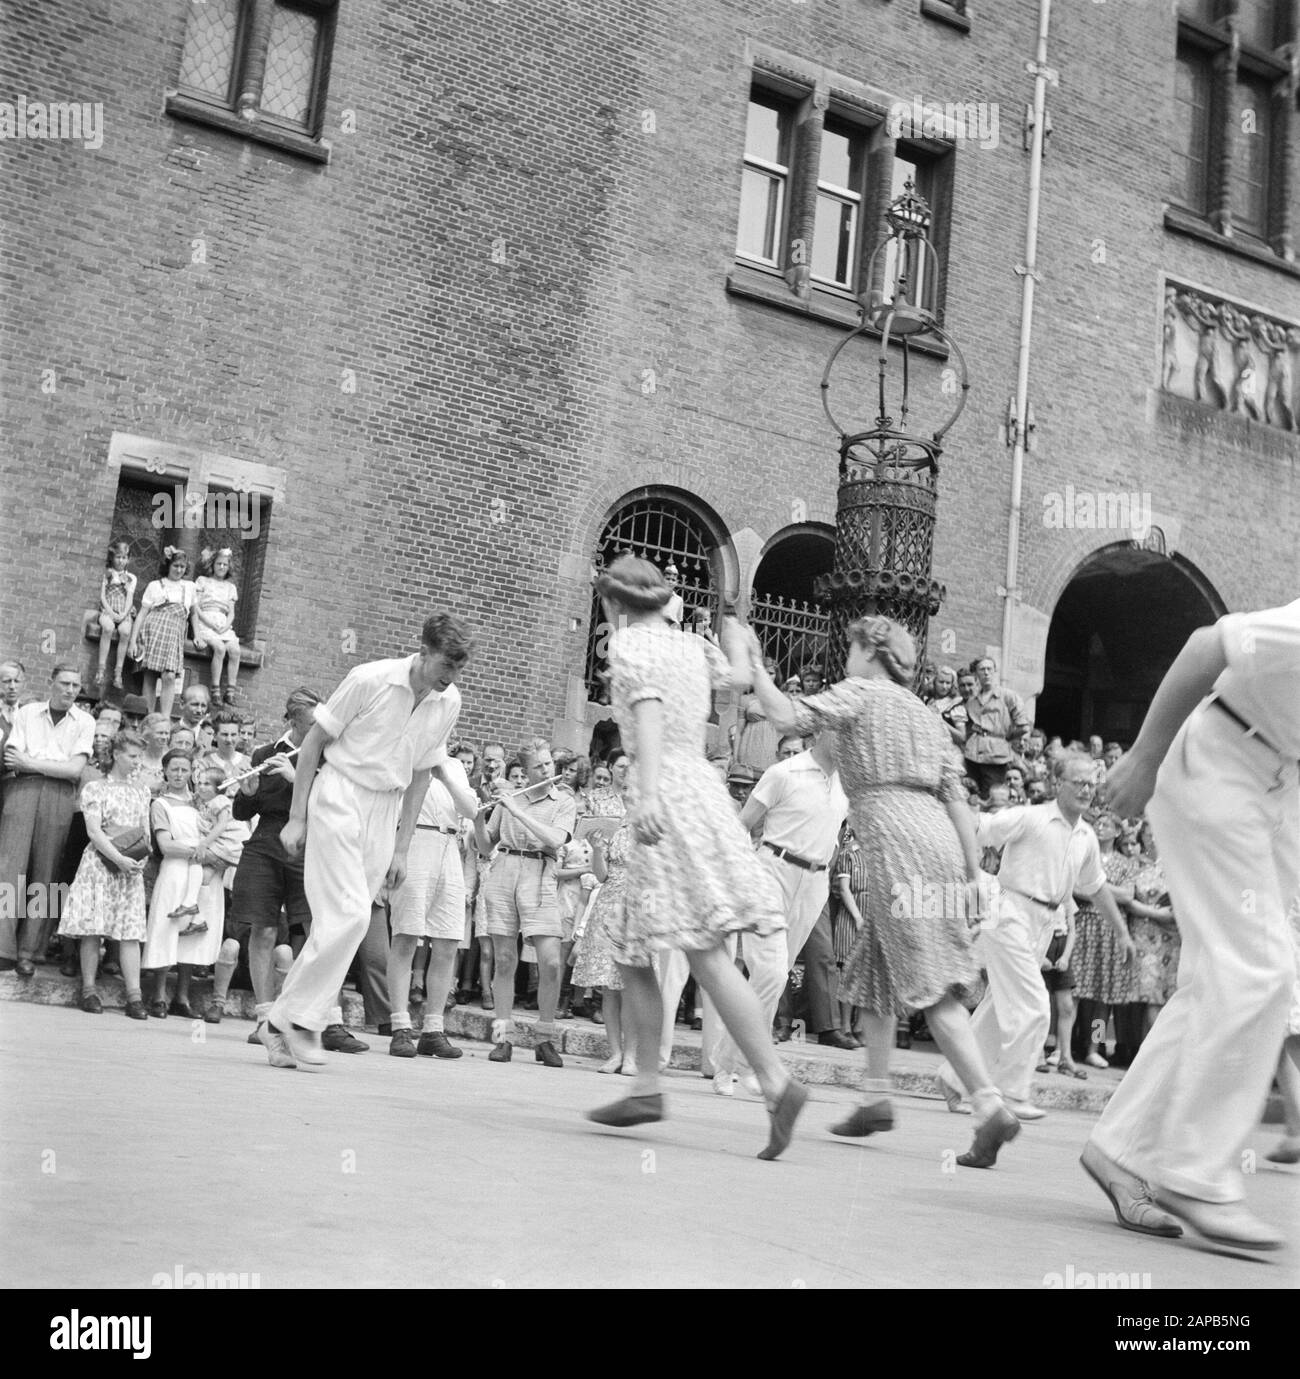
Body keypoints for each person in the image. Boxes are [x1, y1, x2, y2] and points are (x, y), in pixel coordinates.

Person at [739, 616, 1019, 1168]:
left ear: (870, 649)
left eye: (850, 646)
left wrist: (754, 669)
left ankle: (988, 1106)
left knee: (929, 979)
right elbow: (958, 801)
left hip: (893, 838)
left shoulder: (861, 691)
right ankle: (875, 1096)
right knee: (875, 973)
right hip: (937, 835)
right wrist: (971, 874)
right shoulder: (924, 714)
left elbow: (787, 716)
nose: (846, 655)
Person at [1084, 601, 1299, 1250]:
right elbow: (1209, 643)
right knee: (1259, 967)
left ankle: (1119, 1149)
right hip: (1222, 758)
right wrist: (1144, 757)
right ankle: (1197, 1175)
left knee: (1220, 980)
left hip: (1280, 784)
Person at [584, 555, 808, 1160]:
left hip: (668, 796)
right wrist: (744, 644)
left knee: (703, 951)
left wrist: (649, 789)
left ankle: (773, 1082)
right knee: (631, 942)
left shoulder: (630, 649)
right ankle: (649, 1085)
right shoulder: (690, 645)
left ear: (614, 605)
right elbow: (736, 682)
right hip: (700, 791)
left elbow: (649, 714)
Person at [262, 613, 471, 1071]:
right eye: (446, 666)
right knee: (352, 914)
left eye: (458, 669)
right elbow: (314, 743)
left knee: (342, 923)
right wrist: (297, 818)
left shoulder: (447, 701)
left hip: (387, 808)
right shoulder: (369, 678)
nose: (450, 678)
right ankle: (299, 1022)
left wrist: (401, 846)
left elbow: (421, 772)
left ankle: (280, 1022)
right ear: (424, 651)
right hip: (338, 791)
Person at [934, 752, 1129, 1124]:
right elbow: (980, 827)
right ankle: (1013, 1091)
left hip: (1046, 922)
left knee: (997, 1009)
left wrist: (1121, 931)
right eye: (1079, 782)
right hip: (1009, 912)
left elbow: (1097, 887)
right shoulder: (1031, 817)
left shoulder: (1086, 836)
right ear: (1059, 783)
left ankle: (954, 1078)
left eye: (1092, 783)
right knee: (1035, 1005)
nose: (1087, 789)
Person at [712, 726, 850, 1094]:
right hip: (772, 870)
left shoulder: (845, 783)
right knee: (770, 974)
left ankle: (727, 1063)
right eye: (844, 731)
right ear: (822, 731)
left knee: (775, 977)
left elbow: (834, 834)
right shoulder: (783, 773)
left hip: (815, 882)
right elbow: (741, 825)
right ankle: (750, 1064)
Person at [220, 689, 318, 1034]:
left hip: (307, 843)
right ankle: (263, 1017)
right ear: (291, 720)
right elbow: (244, 812)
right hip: (265, 842)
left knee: (310, 931)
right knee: (262, 928)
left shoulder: (324, 755)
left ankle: (301, 1013)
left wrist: (297, 777)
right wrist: (247, 792)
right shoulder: (266, 753)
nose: (315, 730)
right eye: (309, 724)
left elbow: (330, 803)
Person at [474, 738, 576, 1066]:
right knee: (504, 959)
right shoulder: (508, 799)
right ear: (526, 772)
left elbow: (556, 839)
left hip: (540, 873)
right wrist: (477, 813)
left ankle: (545, 1038)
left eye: (548, 764)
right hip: (504, 870)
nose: (547, 770)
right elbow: (486, 846)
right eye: (539, 766)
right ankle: (503, 1037)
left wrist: (515, 809)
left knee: (551, 961)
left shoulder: (563, 801)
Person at [0, 665, 94, 974]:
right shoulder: (28, 712)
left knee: (47, 873)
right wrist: (49, 764)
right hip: (22, 790)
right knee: (9, 869)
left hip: (59, 796)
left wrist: (32, 762)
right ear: (50, 682)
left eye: (76, 686)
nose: (70, 690)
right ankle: (3, 948)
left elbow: (74, 771)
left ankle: (31, 950)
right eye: (65, 683)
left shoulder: (85, 721)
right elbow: (13, 757)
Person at [384, 759, 478, 1059]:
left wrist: (446, 777)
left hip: (450, 845)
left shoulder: (454, 766)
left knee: (449, 940)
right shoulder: (402, 754)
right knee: (406, 936)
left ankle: (433, 1029)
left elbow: (470, 810)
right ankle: (399, 1026)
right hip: (414, 840)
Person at [56, 729, 151, 1016]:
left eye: (139, 757)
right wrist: (118, 858)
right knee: (92, 929)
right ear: (117, 755)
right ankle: (89, 990)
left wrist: (139, 861)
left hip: (130, 869)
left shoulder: (142, 790)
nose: (137, 762)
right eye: (132, 756)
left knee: (130, 931)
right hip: (100, 865)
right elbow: (94, 832)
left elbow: (144, 831)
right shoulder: (96, 788)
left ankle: (134, 997)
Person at [141, 749, 216, 1017]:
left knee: (191, 934)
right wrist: (198, 849)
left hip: (198, 873)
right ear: (165, 771)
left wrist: (207, 853)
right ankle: (158, 996)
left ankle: (182, 998)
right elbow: (165, 845)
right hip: (174, 871)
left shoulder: (200, 802)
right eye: (174, 769)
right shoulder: (160, 804)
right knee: (166, 928)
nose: (179, 774)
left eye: (184, 769)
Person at [1069, 813, 1140, 1070]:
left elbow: (1128, 894)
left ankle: (1094, 1047)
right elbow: (1074, 887)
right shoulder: (1087, 853)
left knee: (1102, 995)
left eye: (1107, 824)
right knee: (1073, 990)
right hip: (1084, 924)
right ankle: (1062, 1047)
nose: (1100, 827)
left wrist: (1096, 887)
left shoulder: (1126, 863)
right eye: (1097, 823)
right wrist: (1105, 889)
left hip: (1110, 929)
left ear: (1117, 832)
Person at [571, 821, 637, 1073]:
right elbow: (601, 876)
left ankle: (631, 1055)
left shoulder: (655, 828)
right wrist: (598, 849)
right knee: (609, 986)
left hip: (639, 904)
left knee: (631, 986)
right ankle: (615, 1053)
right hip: (608, 904)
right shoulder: (616, 830)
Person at [128, 546, 195, 718]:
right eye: (175, 566)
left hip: (174, 635)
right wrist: (133, 641)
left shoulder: (189, 587)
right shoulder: (155, 586)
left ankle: (164, 718)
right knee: (149, 675)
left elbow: (193, 614)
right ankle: (148, 718)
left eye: (182, 567)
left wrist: (199, 635)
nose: (179, 570)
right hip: (154, 630)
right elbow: (143, 614)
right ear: (168, 566)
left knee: (169, 676)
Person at [962, 656, 1032, 798]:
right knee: (970, 796)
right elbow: (967, 729)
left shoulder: (1008, 696)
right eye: (982, 669)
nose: (986, 673)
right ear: (976, 674)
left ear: (995, 672)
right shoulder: (971, 702)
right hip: (972, 755)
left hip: (996, 756)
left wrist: (1006, 738)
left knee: (992, 796)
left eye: (989, 669)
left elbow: (1024, 725)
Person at [191, 547, 243, 705]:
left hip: (223, 623)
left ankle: (230, 691)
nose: (221, 567)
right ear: (212, 564)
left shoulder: (230, 587)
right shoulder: (202, 581)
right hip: (206, 620)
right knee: (219, 648)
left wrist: (226, 626)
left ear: (229, 567)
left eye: (225, 565)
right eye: (219, 564)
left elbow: (231, 613)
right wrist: (209, 622)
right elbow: (196, 606)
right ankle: (215, 690)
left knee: (235, 650)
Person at [94, 541, 137, 693]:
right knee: (108, 627)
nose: (121, 560)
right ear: (113, 558)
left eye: (124, 557)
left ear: (128, 559)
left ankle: (118, 673)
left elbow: (130, 598)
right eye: (118, 557)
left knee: (125, 632)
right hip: (108, 609)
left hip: (123, 611)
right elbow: (102, 596)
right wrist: (110, 612)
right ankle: (101, 669)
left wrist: (125, 613)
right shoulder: (106, 573)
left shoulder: (130, 577)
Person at [929, 665, 968, 749]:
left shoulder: (955, 705)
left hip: (947, 751)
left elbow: (962, 737)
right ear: (934, 682)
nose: (944, 687)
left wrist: (940, 721)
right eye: (941, 682)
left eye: (948, 683)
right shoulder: (928, 700)